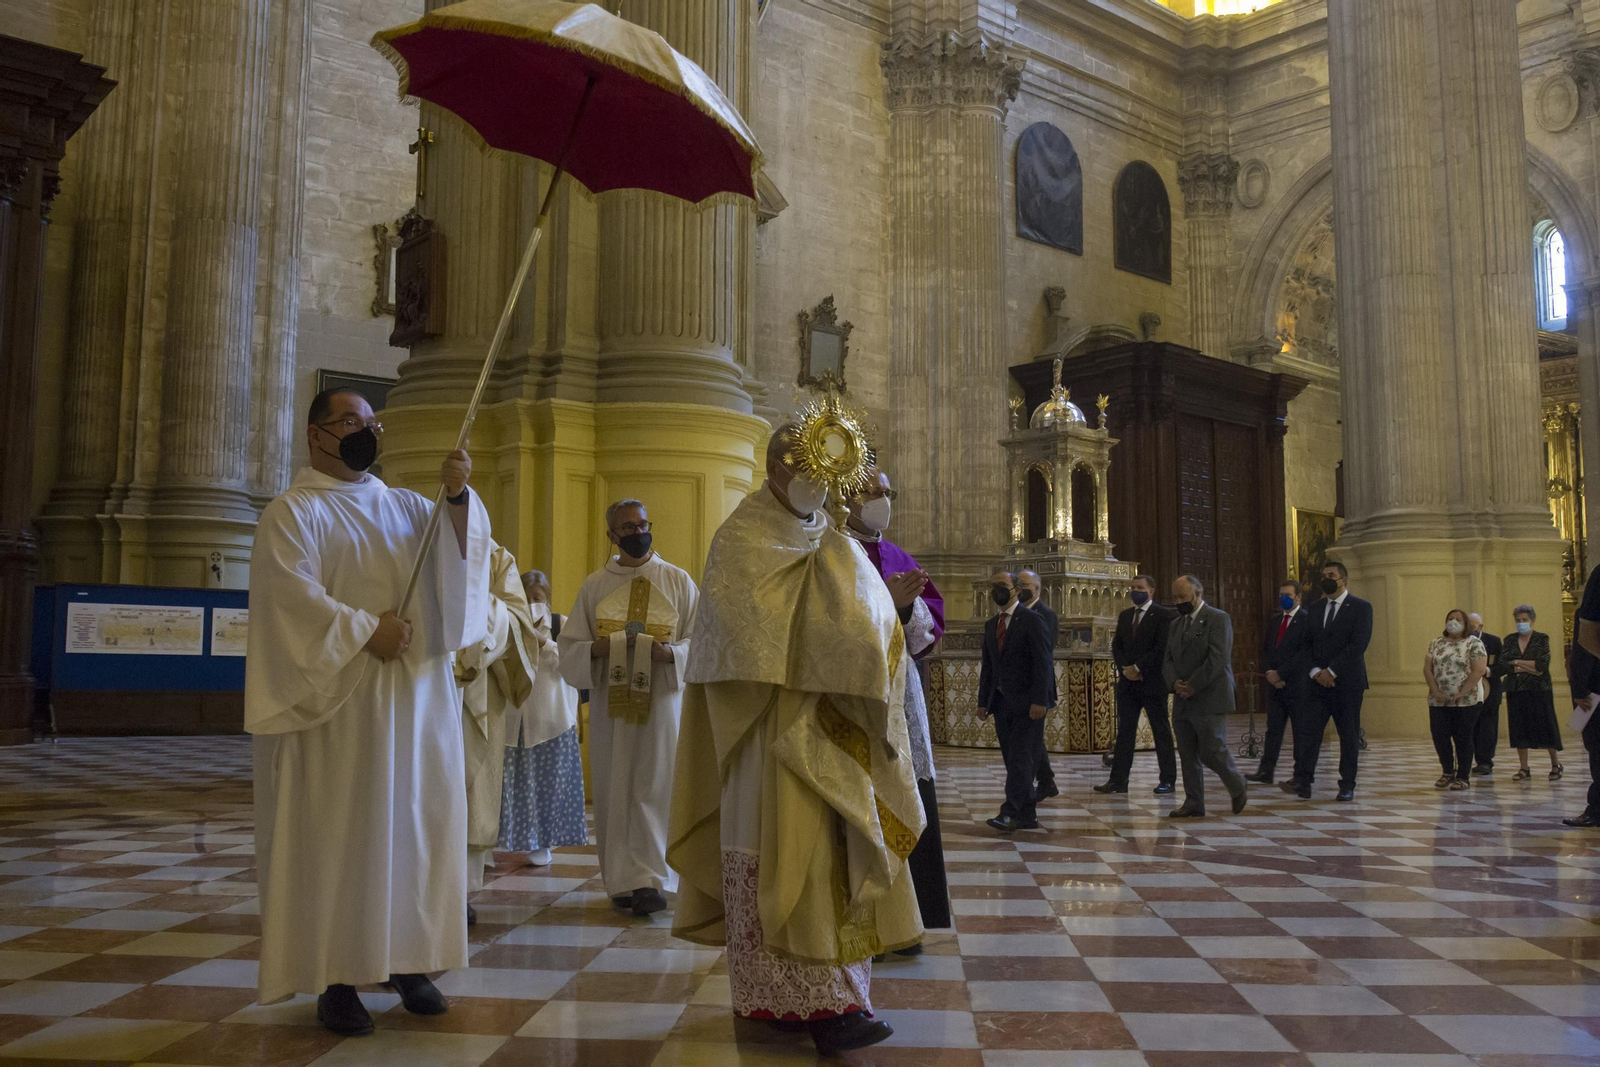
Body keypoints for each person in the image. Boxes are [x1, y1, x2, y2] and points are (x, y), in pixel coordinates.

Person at [668, 426, 924, 1057]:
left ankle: (830, 999)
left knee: (829, 859)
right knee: (788, 857)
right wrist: (851, 618)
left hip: (832, 731)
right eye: (803, 468)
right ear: (775, 470)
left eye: (823, 472)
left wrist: (882, 611)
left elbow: (858, 629)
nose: (816, 482)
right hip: (767, 733)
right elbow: (742, 637)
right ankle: (807, 1006)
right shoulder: (741, 539)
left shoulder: (833, 541)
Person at [246, 388, 491, 1035]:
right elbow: (289, 600)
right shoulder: (292, 513)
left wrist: (459, 499)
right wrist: (364, 631)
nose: (364, 431)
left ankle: (410, 961)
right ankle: (335, 978)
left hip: (413, 707)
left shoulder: (409, 505)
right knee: (340, 839)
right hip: (338, 714)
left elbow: (458, 570)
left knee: (414, 831)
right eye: (349, 421)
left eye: (370, 422)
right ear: (315, 435)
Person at [560, 499, 697, 917]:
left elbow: (703, 642)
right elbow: (569, 650)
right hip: (612, 709)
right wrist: (598, 649)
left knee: (656, 786)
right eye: (628, 527)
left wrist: (670, 655)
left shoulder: (677, 581)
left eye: (643, 524)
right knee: (615, 787)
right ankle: (621, 880)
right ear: (612, 536)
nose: (638, 532)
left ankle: (653, 879)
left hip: (662, 706)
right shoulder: (595, 585)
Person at [844, 470, 951, 945]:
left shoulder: (899, 557)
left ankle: (911, 918)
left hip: (900, 696)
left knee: (909, 786)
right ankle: (860, 921)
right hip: (851, 694)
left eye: (888, 492)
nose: (882, 501)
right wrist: (886, 601)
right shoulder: (830, 551)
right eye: (873, 492)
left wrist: (905, 610)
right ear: (845, 497)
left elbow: (927, 634)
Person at [457, 543, 540, 924]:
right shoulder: (408, 544)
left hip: (480, 691)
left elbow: (518, 619)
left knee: (472, 792)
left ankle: (459, 892)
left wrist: (476, 611)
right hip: (420, 686)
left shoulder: (493, 555)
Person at [498, 570, 587, 870]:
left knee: (549, 787)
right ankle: (502, 841)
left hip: (552, 721)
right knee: (511, 785)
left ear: (547, 600)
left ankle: (543, 844)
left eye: (538, 598)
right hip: (514, 720)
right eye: (526, 598)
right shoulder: (507, 625)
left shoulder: (562, 625)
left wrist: (541, 642)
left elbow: (571, 663)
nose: (532, 604)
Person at [1161, 575, 1247, 818]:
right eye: (1175, 597)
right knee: (1187, 752)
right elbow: (1167, 658)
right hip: (1182, 697)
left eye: (1182, 597)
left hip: (1210, 695)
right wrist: (1174, 682)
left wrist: (1193, 685)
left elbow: (1218, 658)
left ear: (1197, 594)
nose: (1178, 601)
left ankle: (1237, 784)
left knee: (1211, 749)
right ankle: (1193, 802)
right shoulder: (1176, 625)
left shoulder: (1217, 618)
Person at [978, 570, 1054, 832]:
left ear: (1016, 590)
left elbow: (1042, 663)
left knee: (1022, 759)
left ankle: (1010, 813)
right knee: (1012, 759)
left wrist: (1039, 700)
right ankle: (1028, 814)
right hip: (1001, 703)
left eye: (1002, 585)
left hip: (1028, 703)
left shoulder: (1032, 620)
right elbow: (989, 667)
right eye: (992, 586)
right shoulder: (991, 624)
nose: (996, 590)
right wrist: (983, 702)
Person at [1096, 575, 1177, 795]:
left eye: (1140, 588)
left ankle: (1167, 780)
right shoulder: (1125, 615)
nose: (1135, 591)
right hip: (1128, 684)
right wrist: (1126, 669)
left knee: (1161, 731)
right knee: (1124, 733)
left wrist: (1138, 668)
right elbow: (1117, 646)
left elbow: (1161, 648)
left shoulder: (1162, 615)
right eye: (1132, 587)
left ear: (1151, 591)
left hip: (1152, 683)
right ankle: (1118, 781)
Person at [1299, 560, 1372, 802]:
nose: (1326, 578)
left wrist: (1332, 671)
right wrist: (1316, 672)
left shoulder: (1361, 607)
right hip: (1316, 682)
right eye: (1323, 574)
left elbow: (1358, 644)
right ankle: (1304, 781)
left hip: (1347, 682)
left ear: (1344, 580)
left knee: (1348, 735)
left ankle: (1347, 784)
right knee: (1309, 733)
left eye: (1331, 575)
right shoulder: (1315, 607)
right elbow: (1306, 644)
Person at [1248, 581, 1311, 787]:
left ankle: (1299, 774)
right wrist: (1269, 673)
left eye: (1288, 594)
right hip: (1274, 686)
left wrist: (1281, 674)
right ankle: (1266, 771)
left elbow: (1304, 653)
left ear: (1298, 597)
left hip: (1296, 685)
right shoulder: (1275, 620)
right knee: (1273, 730)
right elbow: (1266, 649)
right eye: (1281, 594)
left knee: (1300, 731)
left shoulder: (1306, 620)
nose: (1283, 598)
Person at [1423, 609, 1488, 791]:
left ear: (1466, 623)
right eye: (1450, 618)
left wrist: (1461, 693)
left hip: (1467, 700)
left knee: (1463, 737)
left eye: (1458, 619)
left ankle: (1462, 776)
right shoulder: (1436, 643)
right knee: (1440, 736)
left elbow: (1479, 670)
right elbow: (1428, 668)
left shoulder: (1473, 643)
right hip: (1438, 700)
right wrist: (1435, 690)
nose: (1453, 622)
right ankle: (1447, 771)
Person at [1501, 605, 1564, 782]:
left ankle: (1555, 764)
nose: (1521, 623)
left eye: (1525, 620)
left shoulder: (1541, 638)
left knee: (1547, 725)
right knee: (1519, 727)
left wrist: (1518, 663)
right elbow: (1506, 664)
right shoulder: (1510, 640)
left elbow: (1541, 666)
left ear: (1532, 620)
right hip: (1516, 689)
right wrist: (1527, 665)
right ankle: (1524, 767)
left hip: (1539, 690)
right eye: (1518, 620)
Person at [1017, 569, 1061, 801]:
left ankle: (1026, 791)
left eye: (1024, 584)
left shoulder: (1046, 614)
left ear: (1036, 588)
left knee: (1031, 740)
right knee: (1032, 738)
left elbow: (1045, 652)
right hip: (1018, 686)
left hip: (1035, 685)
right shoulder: (1017, 612)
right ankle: (1046, 781)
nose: (1020, 588)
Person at [1562, 638, 1600, 827]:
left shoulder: (1590, 610)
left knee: (1598, 752)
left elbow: (1583, 651)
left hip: (1595, 692)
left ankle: (1596, 811)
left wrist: (1579, 690)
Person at [1468, 613, 1503, 776]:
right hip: (1468, 690)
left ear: (1480, 626)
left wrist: (1486, 671)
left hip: (1491, 690)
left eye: (1472, 625)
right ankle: (1469, 759)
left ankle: (1485, 761)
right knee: (1470, 726)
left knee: (1488, 727)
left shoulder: (1494, 642)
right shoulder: (1462, 642)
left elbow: (1503, 666)